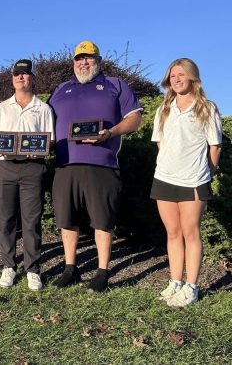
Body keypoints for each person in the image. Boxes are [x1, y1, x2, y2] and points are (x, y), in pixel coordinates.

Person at [48, 41, 142, 292]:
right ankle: (71, 268)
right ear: (73, 62)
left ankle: (102, 272)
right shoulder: (60, 89)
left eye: (88, 58)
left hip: (102, 163)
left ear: (98, 60)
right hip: (65, 163)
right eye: (79, 58)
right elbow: (45, 123)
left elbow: (135, 118)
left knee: (102, 219)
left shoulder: (115, 85)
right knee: (66, 219)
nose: (83, 62)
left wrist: (110, 132)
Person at [150, 58, 222, 307]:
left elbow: (215, 146)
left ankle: (191, 286)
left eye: (181, 75)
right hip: (164, 178)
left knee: (191, 233)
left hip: (194, 181)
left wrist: (205, 172)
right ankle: (175, 282)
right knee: (172, 233)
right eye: (172, 76)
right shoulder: (164, 109)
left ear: (192, 78)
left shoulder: (207, 108)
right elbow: (160, 142)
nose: (177, 80)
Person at [0, 60, 54, 290]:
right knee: (6, 219)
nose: (21, 78)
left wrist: (36, 150)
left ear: (32, 78)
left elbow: (51, 140)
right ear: (12, 79)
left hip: (32, 168)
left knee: (31, 220)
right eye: (17, 74)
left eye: (25, 74)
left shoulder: (44, 109)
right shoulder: (1, 108)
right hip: (4, 168)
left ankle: (32, 268)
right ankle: (8, 266)